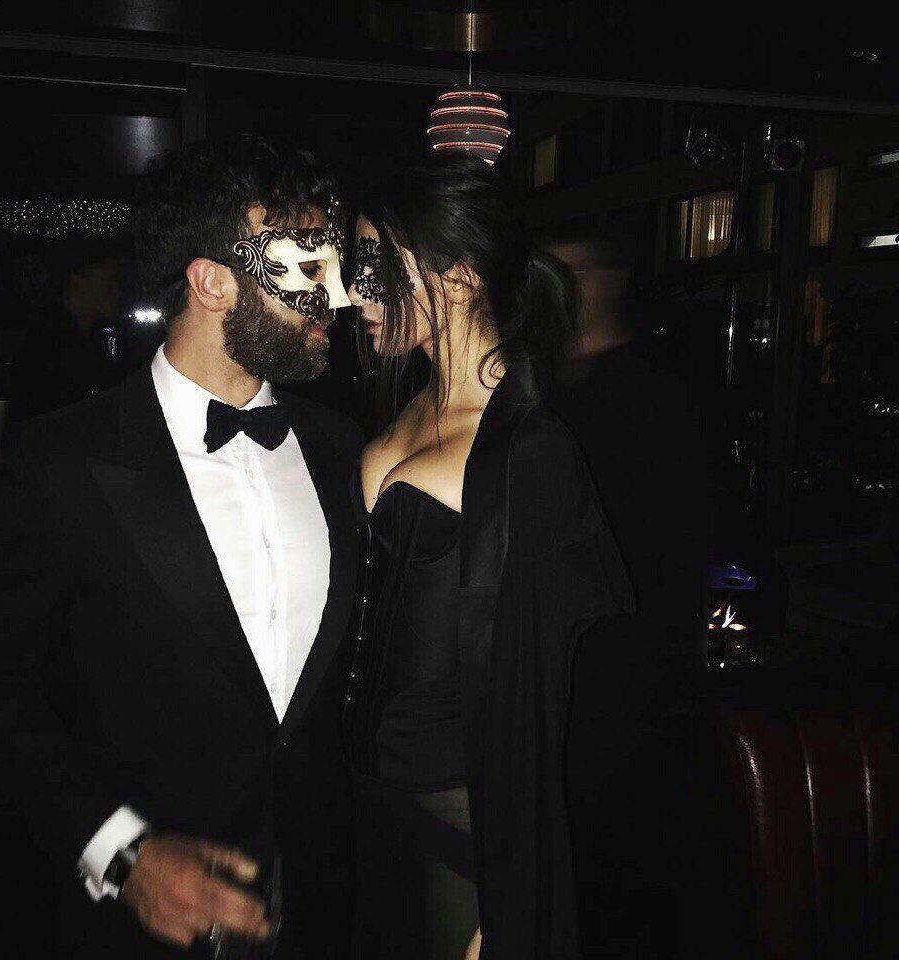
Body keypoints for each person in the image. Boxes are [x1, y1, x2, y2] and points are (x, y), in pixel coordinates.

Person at [0, 137, 362, 960]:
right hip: (139, 932)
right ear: (211, 282)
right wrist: (121, 852)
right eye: (307, 267)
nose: (340, 295)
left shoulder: (344, 449)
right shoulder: (60, 463)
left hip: (326, 911)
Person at [343, 156, 634, 960]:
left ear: (460, 275)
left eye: (373, 264)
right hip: (366, 804)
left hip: (460, 824)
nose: (356, 293)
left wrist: (507, 899)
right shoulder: (407, 408)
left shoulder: (531, 451)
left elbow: (541, 695)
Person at [547, 236, 709, 958]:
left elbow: (691, 530)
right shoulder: (560, 391)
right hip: (597, 676)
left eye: (575, 270)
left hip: (630, 676)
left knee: (622, 882)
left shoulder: (647, 392)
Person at [9, 236, 126, 422]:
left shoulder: (91, 339)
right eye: (109, 280)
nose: (117, 291)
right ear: (78, 282)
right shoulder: (49, 345)